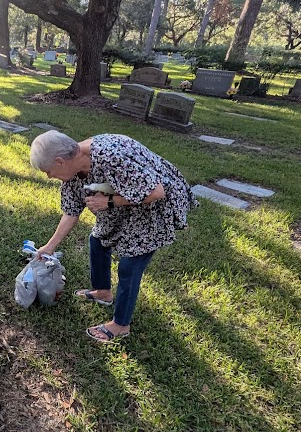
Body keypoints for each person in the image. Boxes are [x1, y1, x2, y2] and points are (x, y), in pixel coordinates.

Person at [29, 131, 198, 344]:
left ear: (60, 161)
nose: (48, 177)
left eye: (48, 171)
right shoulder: (73, 174)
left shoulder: (111, 157)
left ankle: (121, 325)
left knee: (130, 265)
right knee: (98, 241)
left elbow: (156, 192)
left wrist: (110, 202)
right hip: (125, 201)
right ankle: (102, 292)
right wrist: (50, 246)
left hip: (156, 205)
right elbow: (71, 212)